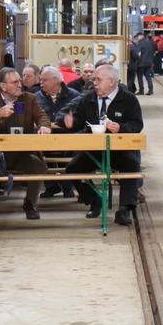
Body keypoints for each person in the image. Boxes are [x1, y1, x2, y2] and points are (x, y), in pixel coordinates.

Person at [62, 64, 144, 226]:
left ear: (112, 82)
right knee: (72, 169)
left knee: (132, 165)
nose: (95, 84)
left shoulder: (128, 99)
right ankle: (95, 199)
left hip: (119, 150)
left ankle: (124, 209)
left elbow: (137, 125)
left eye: (98, 80)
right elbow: (78, 120)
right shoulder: (88, 98)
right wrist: (70, 123)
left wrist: (121, 128)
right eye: (94, 80)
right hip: (94, 150)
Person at [0, 68, 52, 220]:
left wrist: (44, 126)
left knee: (38, 166)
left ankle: (30, 204)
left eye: (20, 81)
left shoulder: (29, 98)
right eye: (15, 82)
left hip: (22, 153)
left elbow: (42, 116)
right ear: (3, 86)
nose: (20, 84)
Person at [36, 65, 81, 199]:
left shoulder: (74, 95)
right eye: (40, 80)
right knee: (38, 153)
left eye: (44, 80)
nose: (41, 83)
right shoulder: (36, 97)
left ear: (56, 81)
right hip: (45, 139)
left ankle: (67, 186)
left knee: (68, 154)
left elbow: (80, 118)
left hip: (68, 138)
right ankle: (51, 186)